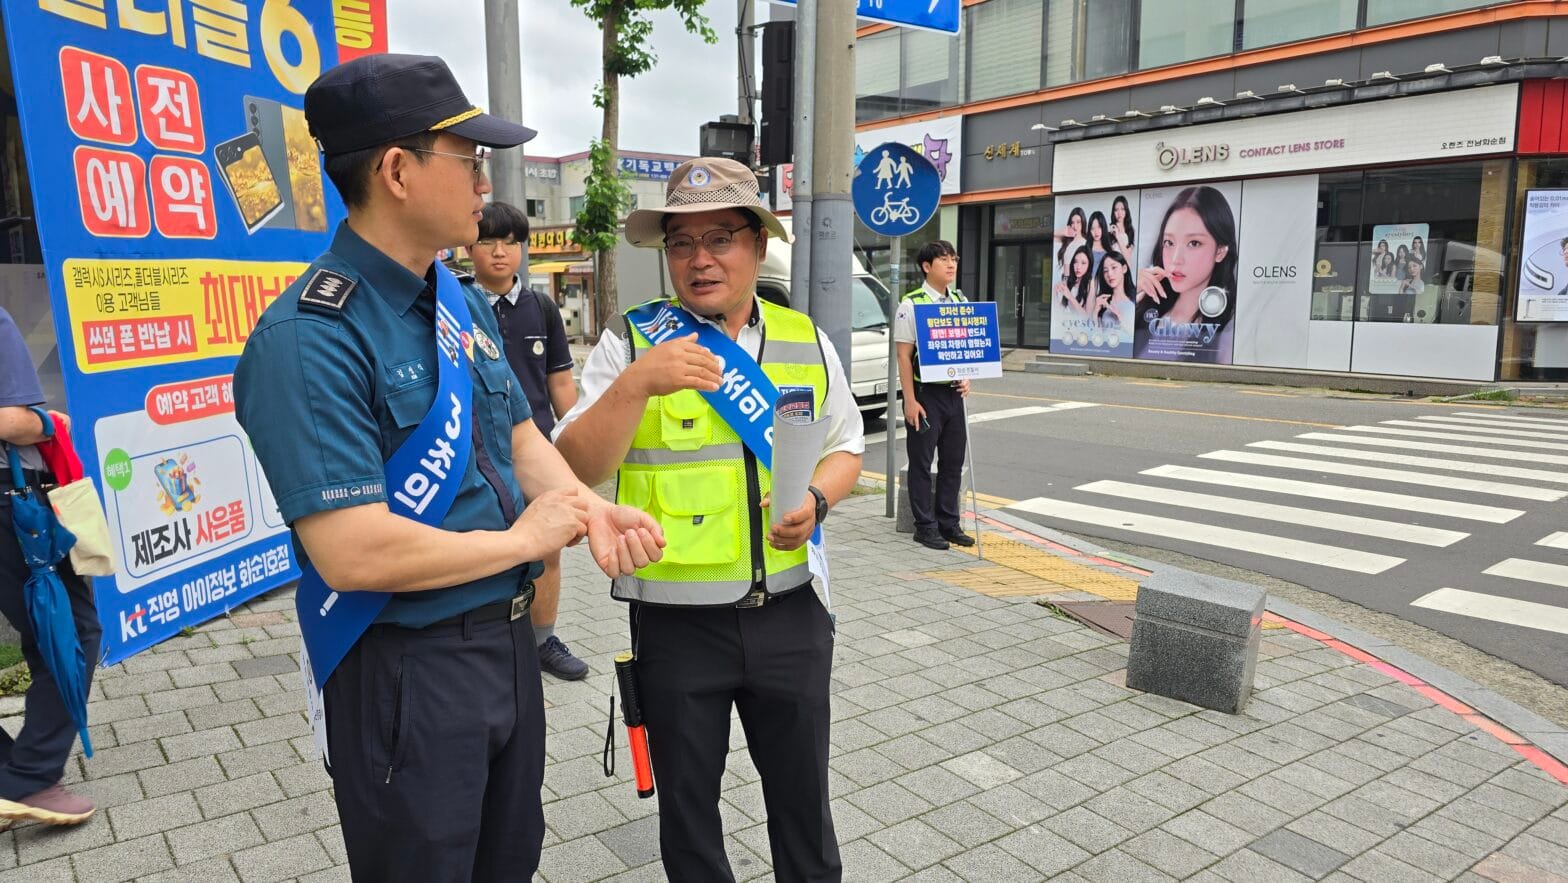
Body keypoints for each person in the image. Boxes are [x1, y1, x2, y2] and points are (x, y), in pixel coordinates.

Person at [232, 54, 663, 881]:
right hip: (407, 667)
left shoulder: (455, 299)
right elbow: (352, 552)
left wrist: (585, 506)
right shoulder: (308, 338)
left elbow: (516, 435)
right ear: (397, 171)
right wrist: (523, 542)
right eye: (466, 159)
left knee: (509, 859)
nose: (481, 182)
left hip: (503, 650)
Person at [554, 156, 863, 883]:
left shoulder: (803, 340)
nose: (700, 260)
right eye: (681, 243)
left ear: (758, 244)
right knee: (689, 820)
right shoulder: (631, 341)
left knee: (805, 812)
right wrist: (635, 385)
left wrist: (816, 501)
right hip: (675, 628)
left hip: (789, 617)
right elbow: (575, 464)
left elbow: (846, 445)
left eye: (721, 238)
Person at [465, 201, 587, 681]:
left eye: (510, 242)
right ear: (468, 247)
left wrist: (575, 437)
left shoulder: (542, 308)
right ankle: (487, 644)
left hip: (535, 450)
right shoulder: (453, 305)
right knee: (485, 544)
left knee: (548, 549)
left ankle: (542, 641)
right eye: (488, 242)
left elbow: (559, 384)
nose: (499, 253)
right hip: (476, 452)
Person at [0, 309, 100, 828]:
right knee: (72, 634)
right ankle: (30, 779)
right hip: (11, 501)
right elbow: (8, 419)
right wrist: (46, 422)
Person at [894, 239, 973, 551]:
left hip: (954, 395)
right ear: (927, 267)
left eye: (953, 258)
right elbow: (903, 356)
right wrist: (910, 400)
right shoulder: (911, 304)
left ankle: (948, 523)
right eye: (943, 260)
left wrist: (967, 379)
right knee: (922, 463)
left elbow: (966, 347)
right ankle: (924, 526)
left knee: (953, 462)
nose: (951, 264)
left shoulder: (960, 300)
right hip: (926, 395)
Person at [1134, 185, 1239, 364]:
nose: (1176, 259)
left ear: (1220, 251)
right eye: (1169, 242)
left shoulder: (1228, 330)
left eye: (1194, 243)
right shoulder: (1145, 307)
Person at [1054, 244, 1093, 313]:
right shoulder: (1069, 280)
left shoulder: (1090, 283)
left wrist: (1070, 296)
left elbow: (1087, 316)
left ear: (1089, 265)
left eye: (1083, 263)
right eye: (1075, 262)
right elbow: (1061, 309)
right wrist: (1055, 295)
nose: (1078, 267)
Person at [1054, 206, 1086, 277]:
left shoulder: (1085, 243)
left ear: (1082, 223)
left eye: (1078, 222)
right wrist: (1063, 232)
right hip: (1064, 280)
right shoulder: (1067, 240)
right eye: (1072, 222)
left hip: (1076, 281)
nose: (1075, 226)